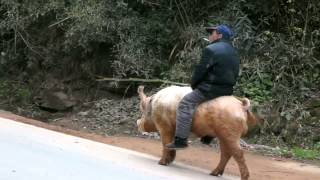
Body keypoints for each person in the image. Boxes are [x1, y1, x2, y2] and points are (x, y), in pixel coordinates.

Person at [166, 24, 240, 149]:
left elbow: (200, 71)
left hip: (210, 89)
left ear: (219, 35)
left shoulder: (210, 49)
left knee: (185, 103)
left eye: (212, 33)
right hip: (227, 91)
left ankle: (181, 140)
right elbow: (235, 73)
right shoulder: (234, 52)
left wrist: (194, 84)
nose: (209, 36)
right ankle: (208, 136)